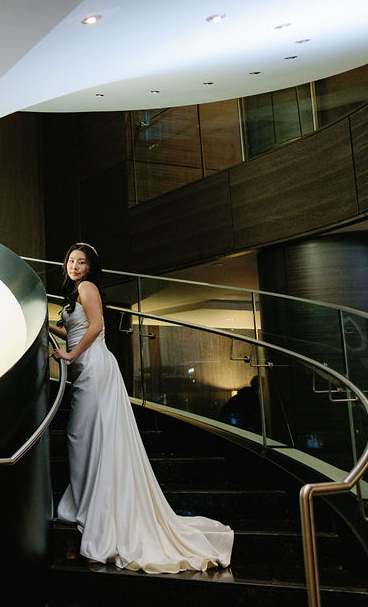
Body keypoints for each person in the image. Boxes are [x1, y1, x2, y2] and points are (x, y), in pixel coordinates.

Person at [50, 242, 233, 573]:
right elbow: (72, 329)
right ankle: (89, 505)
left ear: (89, 268)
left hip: (95, 367)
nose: (75, 266)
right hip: (85, 369)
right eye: (71, 261)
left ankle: (99, 515)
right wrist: (48, 328)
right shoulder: (74, 291)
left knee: (84, 436)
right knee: (83, 438)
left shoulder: (88, 287)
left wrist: (69, 355)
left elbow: (95, 327)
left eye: (81, 262)